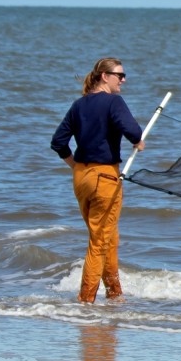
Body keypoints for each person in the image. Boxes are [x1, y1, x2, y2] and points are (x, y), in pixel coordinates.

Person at [50, 57, 143, 304]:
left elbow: (58, 142)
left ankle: (114, 295)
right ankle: (85, 301)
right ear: (104, 76)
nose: (123, 80)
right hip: (105, 177)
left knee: (109, 237)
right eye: (119, 75)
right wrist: (137, 141)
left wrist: (75, 166)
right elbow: (133, 131)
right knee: (99, 241)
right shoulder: (114, 102)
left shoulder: (79, 105)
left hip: (82, 177)